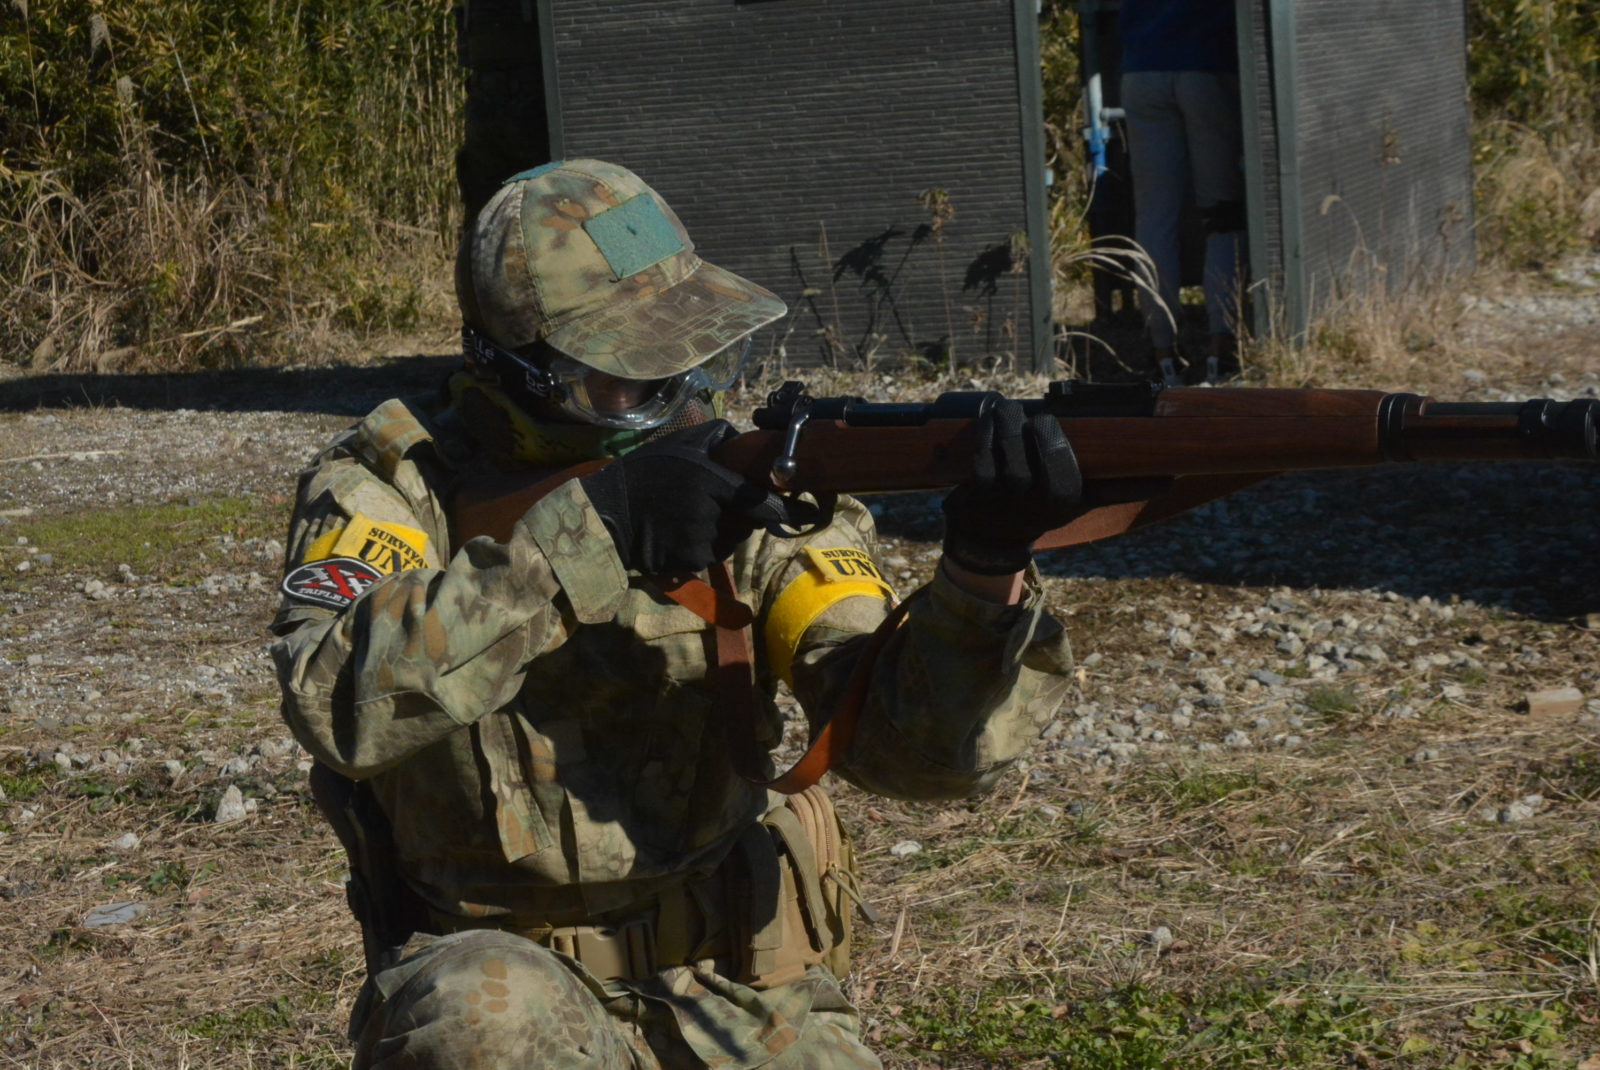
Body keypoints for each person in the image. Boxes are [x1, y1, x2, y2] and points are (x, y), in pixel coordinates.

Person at [270, 159, 1082, 1069]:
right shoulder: (395, 484)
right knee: (478, 1023)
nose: (670, 397)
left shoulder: (740, 484)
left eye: (685, 356)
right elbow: (334, 702)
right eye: (621, 373)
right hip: (510, 989)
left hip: (738, 985)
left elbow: (914, 756)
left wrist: (981, 578)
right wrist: (591, 535)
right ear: (513, 369)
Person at [1118, 0, 1247, 385]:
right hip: (1208, 63)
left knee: (1155, 217)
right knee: (1222, 213)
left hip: (1141, 67)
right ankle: (1221, 349)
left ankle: (1163, 355)